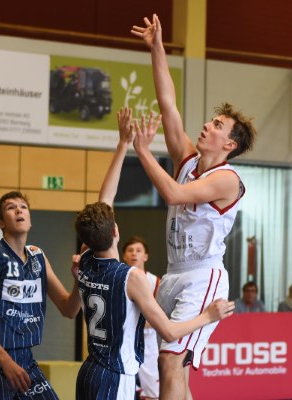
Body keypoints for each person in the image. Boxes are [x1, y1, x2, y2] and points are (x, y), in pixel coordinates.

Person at [131, 14, 257, 399]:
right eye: (211, 120)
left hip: (204, 276)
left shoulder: (227, 179)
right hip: (174, 272)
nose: (207, 125)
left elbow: (173, 195)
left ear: (229, 144)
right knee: (172, 366)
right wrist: (157, 49)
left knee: (170, 360)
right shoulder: (188, 159)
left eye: (217, 124)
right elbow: (167, 103)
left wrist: (141, 151)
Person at [74, 107, 234, 400]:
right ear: (115, 233)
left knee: (176, 370)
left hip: (88, 372)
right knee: (172, 358)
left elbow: (104, 202)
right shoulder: (131, 277)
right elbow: (171, 333)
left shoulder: (84, 262)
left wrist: (123, 146)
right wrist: (208, 316)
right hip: (116, 376)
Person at [0, 191, 81, 400]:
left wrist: (79, 280)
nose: (19, 209)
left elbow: (69, 309)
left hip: (25, 358)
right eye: (11, 207)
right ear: (1, 223)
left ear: (30, 221)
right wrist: (5, 361)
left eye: (23, 207)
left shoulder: (38, 256)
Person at [122, 236, 160, 400]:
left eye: (138, 251)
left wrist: (135, 324)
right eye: (130, 250)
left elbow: (161, 317)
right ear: (123, 256)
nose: (134, 254)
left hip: (149, 345)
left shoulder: (155, 281)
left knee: (152, 393)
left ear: (145, 256)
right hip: (124, 342)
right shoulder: (117, 279)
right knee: (127, 392)